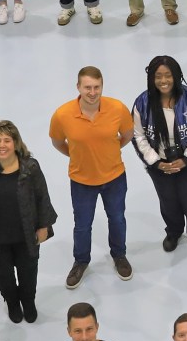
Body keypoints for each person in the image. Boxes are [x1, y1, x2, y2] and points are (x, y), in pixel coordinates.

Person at [51, 66, 135, 286]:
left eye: (97, 87)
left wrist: (110, 151)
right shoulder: (62, 114)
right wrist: (78, 155)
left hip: (114, 177)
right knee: (82, 225)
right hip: (81, 181)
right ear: (78, 87)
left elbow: (127, 135)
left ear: (102, 86)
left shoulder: (117, 109)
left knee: (117, 219)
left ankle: (119, 255)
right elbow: (58, 142)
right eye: (87, 87)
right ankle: (81, 261)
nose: (92, 92)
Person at [0, 119, 56, 324]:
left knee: (28, 273)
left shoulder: (30, 166)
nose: (2, 145)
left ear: (16, 143)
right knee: (2, 275)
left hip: (26, 234)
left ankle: (28, 301)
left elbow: (42, 197)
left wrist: (44, 226)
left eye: (7, 140)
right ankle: (13, 302)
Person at [132, 55, 187, 253]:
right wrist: (156, 163)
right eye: (158, 76)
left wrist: (186, 159)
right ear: (151, 78)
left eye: (168, 75)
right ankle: (173, 232)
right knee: (168, 200)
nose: (163, 81)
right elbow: (137, 136)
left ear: (176, 76)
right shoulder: (142, 103)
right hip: (160, 165)